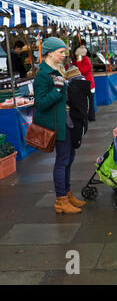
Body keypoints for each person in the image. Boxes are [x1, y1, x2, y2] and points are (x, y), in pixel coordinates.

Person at [33, 37, 86, 214]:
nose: (64, 54)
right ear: (50, 53)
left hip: (67, 120)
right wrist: (57, 90)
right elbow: (40, 103)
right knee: (62, 160)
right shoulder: (42, 74)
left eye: (64, 51)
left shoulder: (59, 69)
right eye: (61, 52)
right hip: (56, 123)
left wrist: (74, 79)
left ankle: (67, 193)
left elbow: (66, 94)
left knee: (69, 158)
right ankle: (60, 200)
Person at [73, 45, 96, 121]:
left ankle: (91, 117)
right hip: (85, 84)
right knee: (86, 102)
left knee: (89, 102)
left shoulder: (86, 61)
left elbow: (81, 71)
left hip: (89, 85)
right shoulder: (83, 60)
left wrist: (78, 62)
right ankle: (88, 116)